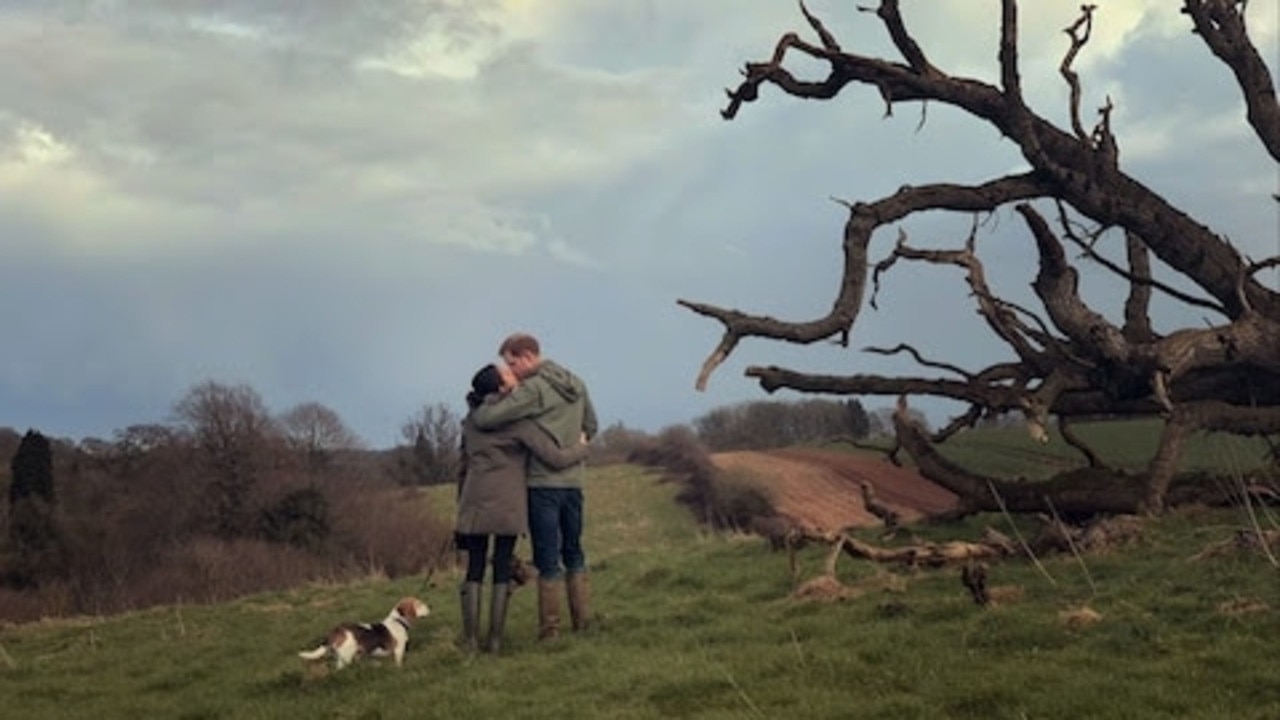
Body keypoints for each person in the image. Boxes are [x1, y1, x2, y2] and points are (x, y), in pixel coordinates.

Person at [470, 332, 597, 640]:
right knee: (575, 552)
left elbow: (487, 419)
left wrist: (482, 403)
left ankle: (550, 630)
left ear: (527, 356)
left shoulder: (533, 389)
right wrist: (577, 444)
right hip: (574, 482)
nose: (510, 370)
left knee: (547, 556)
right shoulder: (576, 382)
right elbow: (591, 426)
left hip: (543, 483)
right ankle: (583, 623)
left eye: (512, 363)